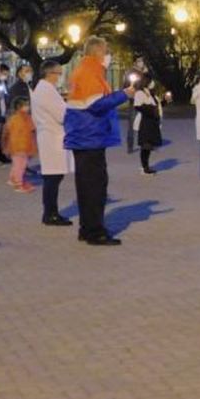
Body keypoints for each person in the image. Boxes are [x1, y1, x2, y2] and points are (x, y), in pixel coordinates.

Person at [64, 36, 135, 247]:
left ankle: (87, 228)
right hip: (90, 137)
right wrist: (124, 94)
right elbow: (96, 104)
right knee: (95, 187)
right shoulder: (90, 72)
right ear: (98, 53)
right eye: (107, 51)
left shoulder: (84, 71)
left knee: (86, 186)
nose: (109, 56)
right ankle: (95, 231)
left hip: (85, 137)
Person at [31, 60, 72, 226]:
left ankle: (51, 212)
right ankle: (50, 213)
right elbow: (62, 115)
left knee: (54, 176)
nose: (60, 77)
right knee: (53, 177)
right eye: (59, 74)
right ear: (50, 74)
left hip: (50, 135)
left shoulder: (43, 89)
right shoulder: (47, 90)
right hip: (52, 137)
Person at [2, 97, 38, 193]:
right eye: (26, 105)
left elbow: (6, 131)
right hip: (23, 145)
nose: (28, 107)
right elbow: (32, 129)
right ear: (20, 107)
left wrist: (5, 144)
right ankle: (18, 184)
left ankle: (13, 179)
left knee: (16, 164)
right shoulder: (26, 118)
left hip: (14, 145)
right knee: (21, 165)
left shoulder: (13, 118)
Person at [133, 75, 163, 176]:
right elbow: (138, 106)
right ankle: (144, 167)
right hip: (145, 121)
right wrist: (150, 109)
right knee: (145, 145)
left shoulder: (150, 93)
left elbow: (156, 105)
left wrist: (164, 102)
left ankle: (146, 166)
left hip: (152, 122)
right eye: (151, 81)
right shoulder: (140, 93)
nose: (152, 84)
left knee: (149, 145)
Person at [124, 55, 149, 154]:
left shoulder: (145, 73)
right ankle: (130, 146)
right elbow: (126, 86)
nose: (141, 63)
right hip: (134, 101)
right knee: (131, 124)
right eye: (139, 61)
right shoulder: (131, 73)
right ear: (135, 62)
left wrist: (146, 74)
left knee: (146, 123)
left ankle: (146, 144)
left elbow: (149, 84)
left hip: (144, 101)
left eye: (142, 61)